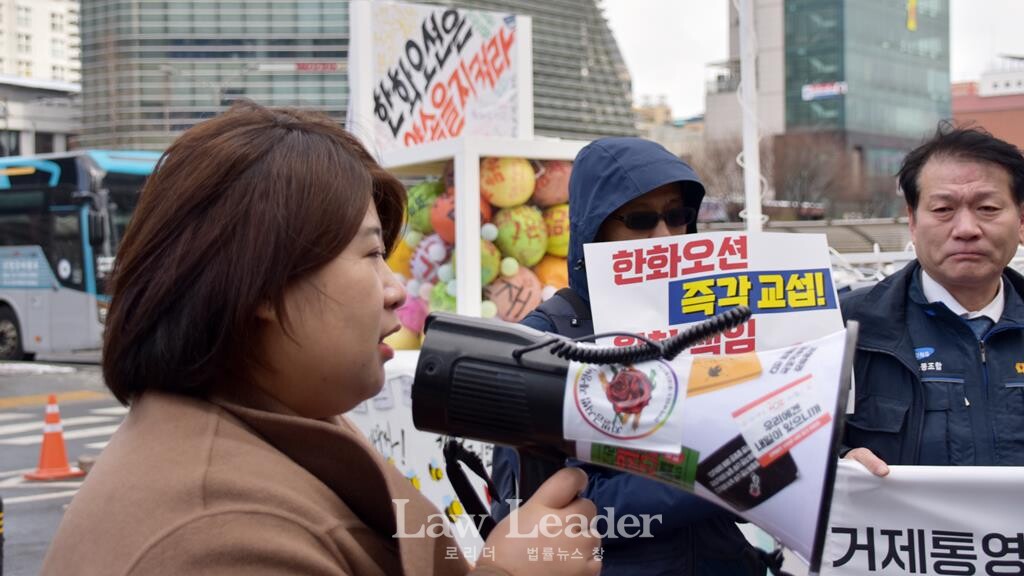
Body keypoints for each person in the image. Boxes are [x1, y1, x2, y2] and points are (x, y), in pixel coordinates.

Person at [40, 102, 600, 576]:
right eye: (372, 253)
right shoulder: (213, 540)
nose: (396, 290)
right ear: (260, 280)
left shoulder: (285, 419)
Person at [491, 138, 769, 576]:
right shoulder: (545, 341)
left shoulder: (716, 319)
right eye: (641, 219)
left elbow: (764, 478)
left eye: (677, 216)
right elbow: (524, 514)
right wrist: (712, 475)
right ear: (594, 228)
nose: (664, 236)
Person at [842, 124, 1024, 475]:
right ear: (912, 220)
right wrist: (839, 463)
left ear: (1020, 220)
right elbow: (784, 459)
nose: (967, 228)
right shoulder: (846, 327)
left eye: (987, 207)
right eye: (943, 209)